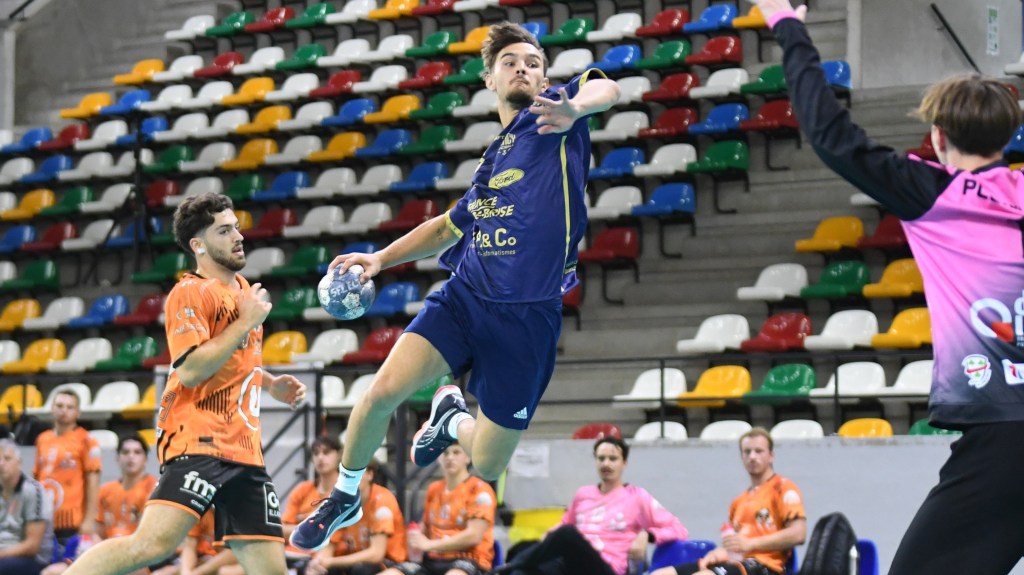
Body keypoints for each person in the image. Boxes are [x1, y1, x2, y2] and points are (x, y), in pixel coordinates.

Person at [291, 20, 622, 552]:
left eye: (533, 63)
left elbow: (608, 88)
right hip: (465, 297)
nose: (523, 69)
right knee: (381, 393)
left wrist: (576, 109)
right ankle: (345, 494)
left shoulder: (556, 116)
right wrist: (380, 259)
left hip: (527, 317)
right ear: (490, 79)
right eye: (510, 62)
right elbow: (448, 227)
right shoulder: (492, 161)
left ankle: (450, 417)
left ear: (545, 79)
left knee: (487, 463)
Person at [755, 0, 1024, 573]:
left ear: (938, 137)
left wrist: (788, 26)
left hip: (1002, 433)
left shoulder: (932, 191)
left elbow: (831, 134)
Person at [64, 192, 307, 575]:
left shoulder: (243, 291)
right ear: (198, 245)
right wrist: (245, 323)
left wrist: (270, 382)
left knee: (271, 571)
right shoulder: (190, 292)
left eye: (236, 228)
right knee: (151, 545)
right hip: (199, 442)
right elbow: (192, 368)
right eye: (224, 231)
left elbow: (232, 363)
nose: (238, 236)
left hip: (245, 452)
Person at [499, 437, 688, 575]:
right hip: (571, 564)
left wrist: (647, 535)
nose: (606, 464)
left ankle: (504, 568)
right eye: (601, 458)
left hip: (605, 568)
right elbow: (564, 524)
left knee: (566, 535)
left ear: (624, 463)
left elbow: (679, 529)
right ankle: (509, 569)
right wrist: (548, 536)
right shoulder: (583, 494)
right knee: (524, 561)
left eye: (613, 459)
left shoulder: (637, 496)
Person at [652, 428, 805, 575]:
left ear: (771, 456)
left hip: (765, 565)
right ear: (742, 457)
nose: (752, 456)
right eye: (747, 451)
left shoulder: (783, 488)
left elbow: (799, 534)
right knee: (661, 573)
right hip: (735, 562)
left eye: (758, 451)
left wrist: (751, 544)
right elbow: (734, 545)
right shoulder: (738, 501)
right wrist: (718, 553)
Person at [43, 433, 157, 575]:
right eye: (126, 452)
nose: (131, 457)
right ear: (117, 458)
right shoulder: (105, 490)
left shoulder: (154, 489)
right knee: (51, 572)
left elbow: (150, 538)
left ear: (146, 459)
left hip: (139, 558)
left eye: (137, 452)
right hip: (107, 554)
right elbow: (98, 534)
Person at [380, 443, 496, 575]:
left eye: (456, 452)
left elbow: (473, 536)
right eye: (445, 453)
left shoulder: (480, 490)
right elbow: (425, 528)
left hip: (469, 559)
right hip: (432, 560)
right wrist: (415, 536)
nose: (450, 457)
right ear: (439, 458)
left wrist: (429, 545)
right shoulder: (434, 489)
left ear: (467, 458)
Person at [304, 457, 407, 575]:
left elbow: (376, 554)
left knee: (363, 570)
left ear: (370, 474)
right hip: (355, 563)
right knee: (318, 570)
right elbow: (329, 546)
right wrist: (319, 563)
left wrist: (332, 561)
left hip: (389, 564)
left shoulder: (382, 501)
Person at [33, 390, 101, 541]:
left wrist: (89, 520)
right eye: (59, 406)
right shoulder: (42, 439)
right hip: (44, 519)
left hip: (72, 521)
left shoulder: (86, 440)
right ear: (52, 408)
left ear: (78, 412)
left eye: (70, 407)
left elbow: (93, 482)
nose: (64, 410)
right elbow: (37, 478)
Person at [0, 438, 55, 575]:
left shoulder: (33, 491)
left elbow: (32, 546)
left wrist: (1, 554)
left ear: (19, 463)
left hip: (32, 559)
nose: (1, 463)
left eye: (7, 459)